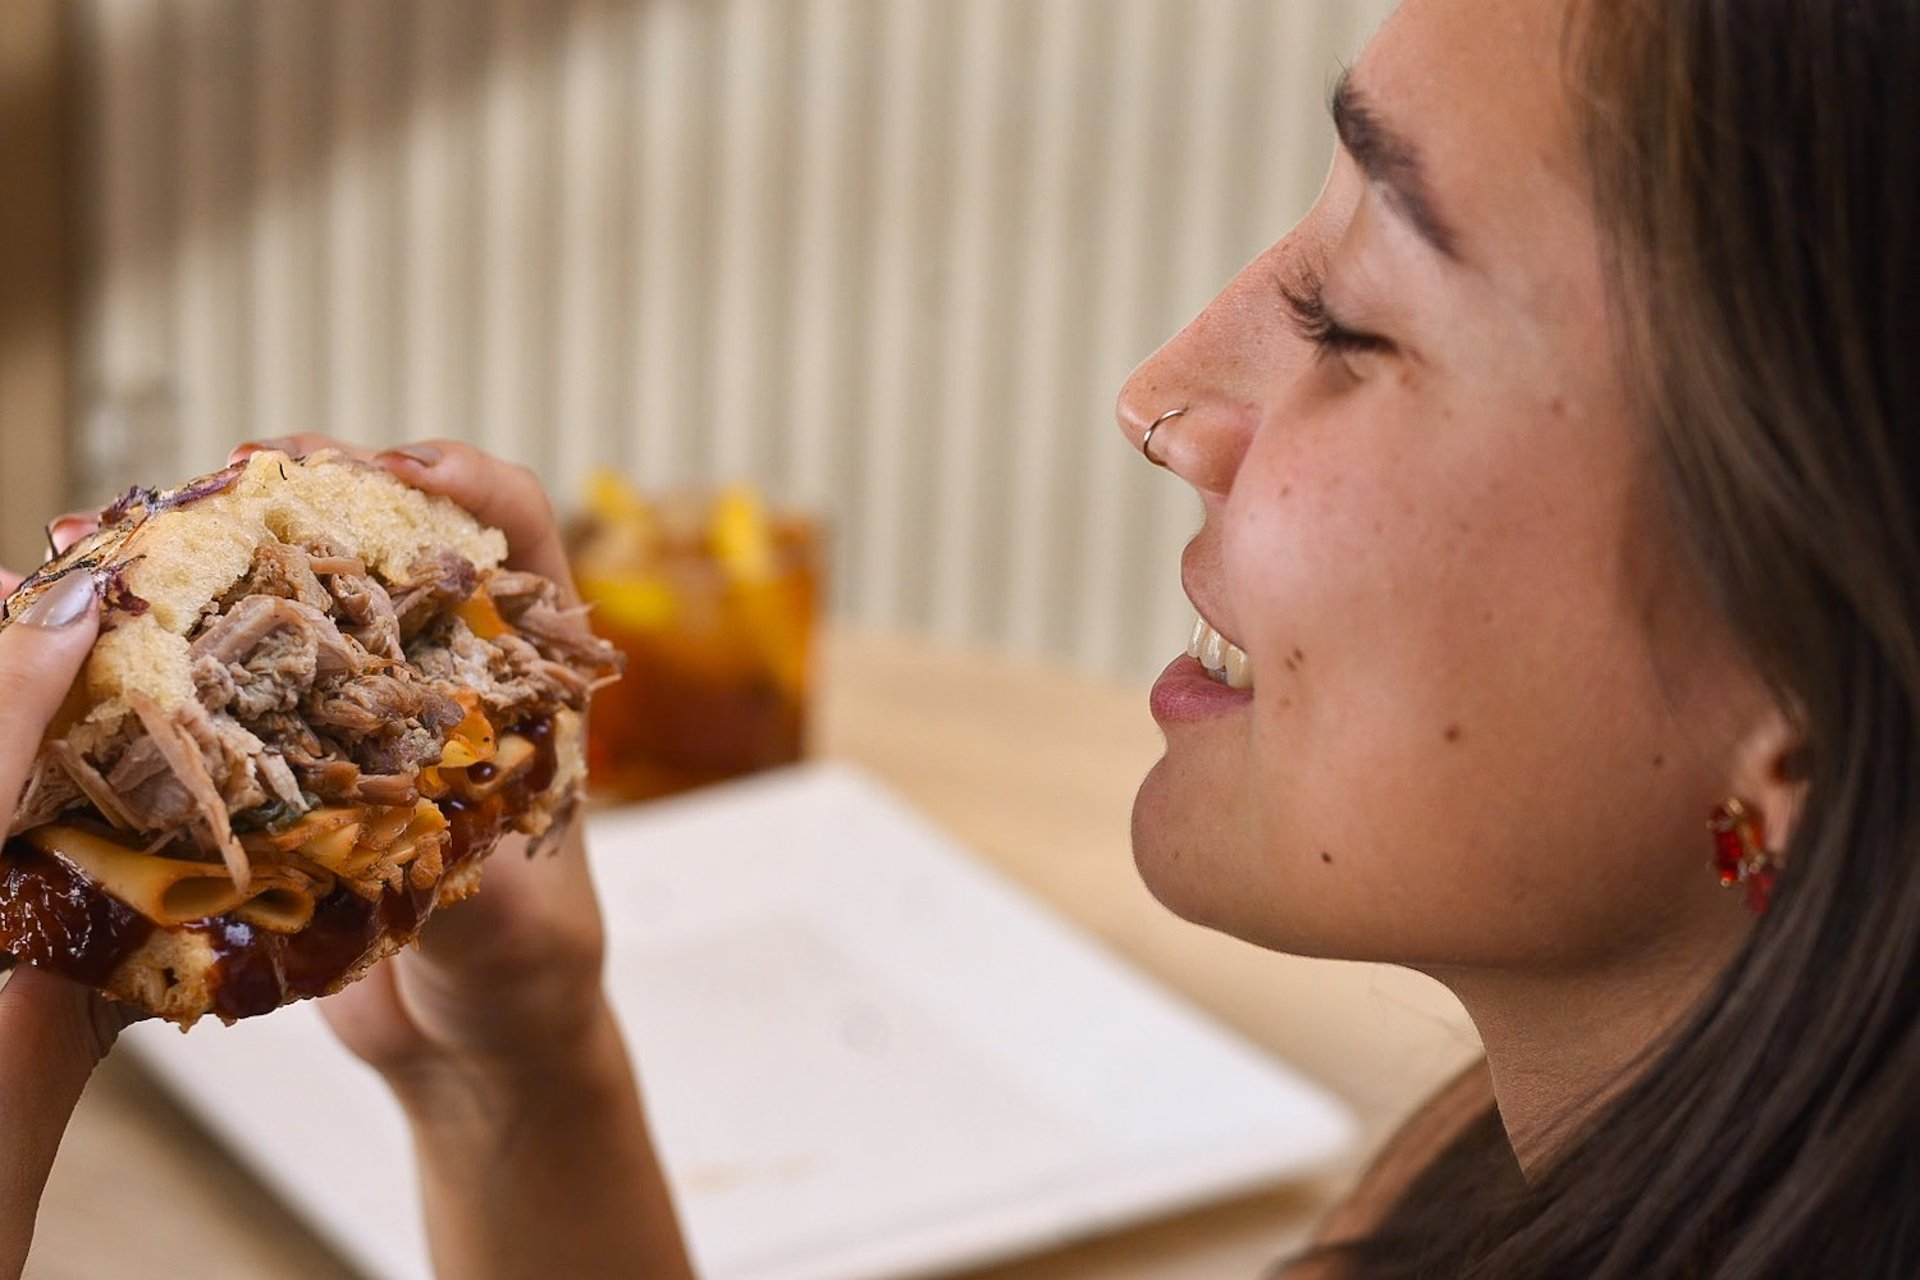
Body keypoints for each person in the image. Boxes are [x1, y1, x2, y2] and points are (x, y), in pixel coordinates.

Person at [2, 0, 1915, 1275]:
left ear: (1807, 686)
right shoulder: (1508, 1186)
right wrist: (516, 1069)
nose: (1163, 394)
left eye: (1353, 316)